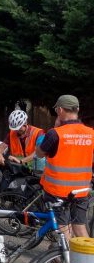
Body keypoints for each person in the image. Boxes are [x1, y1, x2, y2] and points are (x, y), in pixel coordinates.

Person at [36, 95, 94, 242]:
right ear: (77, 110)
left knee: (63, 228)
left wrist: (55, 128)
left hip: (57, 191)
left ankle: (66, 261)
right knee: (80, 227)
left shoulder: (55, 134)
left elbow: (39, 153)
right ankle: (87, 262)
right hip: (81, 190)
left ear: (60, 110)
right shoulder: (91, 134)